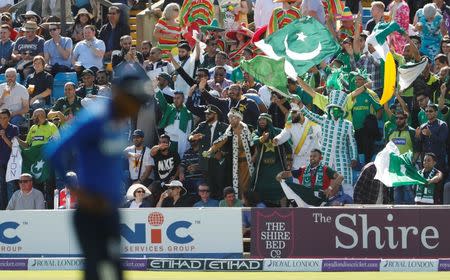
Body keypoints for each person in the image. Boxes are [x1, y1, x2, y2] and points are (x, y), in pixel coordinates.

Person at [45, 62, 152, 280]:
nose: (135, 108)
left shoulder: (121, 123)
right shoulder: (95, 118)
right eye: (134, 102)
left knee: (117, 270)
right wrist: (76, 190)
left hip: (110, 210)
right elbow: (54, 151)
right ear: (121, 94)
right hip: (89, 211)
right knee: (94, 270)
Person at [298, 91, 358, 198]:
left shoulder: (347, 125)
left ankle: (349, 204)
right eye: (332, 108)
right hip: (326, 158)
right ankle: (323, 205)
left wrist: (354, 158)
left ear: (341, 110)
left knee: (346, 184)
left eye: (337, 109)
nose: (334, 111)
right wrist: (300, 105)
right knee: (324, 183)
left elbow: (352, 143)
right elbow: (311, 115)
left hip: (342, 159)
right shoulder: (325, 120)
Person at [206, 108, 254, 196]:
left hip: (248, 163)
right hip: (234, 163)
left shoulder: (249, 129)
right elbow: (220, 142)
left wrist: (254, 158)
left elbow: (255, 144)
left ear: (239, 118)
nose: (231, 120)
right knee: (237, 185)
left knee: (247, 185)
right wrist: (210, 151)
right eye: (229, 118)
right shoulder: (229, 132)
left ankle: (247, 202)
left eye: (233, 117)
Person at [251, 113, 291, 207]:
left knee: (282, 187)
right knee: (259, 188)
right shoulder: (256, 132)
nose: (261, 121)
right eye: (260, 120)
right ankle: (261, 210)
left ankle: (284, 210)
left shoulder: (279, 132)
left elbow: (288, 147)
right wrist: (262, 138)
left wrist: (289, 160)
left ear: (269, 121)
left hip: (277, 166)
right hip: (262, 168)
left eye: (264, 119)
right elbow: (254, 140)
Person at [189, 104, 228, 199]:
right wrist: (193, 137)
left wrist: (222, 152)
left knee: (220, 184)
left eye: (209, 114)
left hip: (218, 161)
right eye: (206, 114)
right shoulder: (202, 125)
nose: (206, 116)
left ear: (216, 115)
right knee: (208, 186)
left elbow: (228, 143)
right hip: (205, 161)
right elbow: (190, 136)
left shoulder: (224, 127)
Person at [273, 103, 321, 170]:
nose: (292, 114)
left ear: (301, 112)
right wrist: (277, 139)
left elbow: (323, 138)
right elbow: (283, 134)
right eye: (291, 112)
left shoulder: (314, 123)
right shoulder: (290, 125)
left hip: (314, 160)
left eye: (294, 112)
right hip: (298, 161)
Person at [416, 103, 448, 173]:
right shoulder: (422, 126)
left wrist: (430, 135)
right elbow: (420, 145)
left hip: (439, 161)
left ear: (436, 113)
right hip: (426, 161)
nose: (428, 113)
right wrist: (417, 136)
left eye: (430, 111)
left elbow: (442, 141)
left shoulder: (442, 125)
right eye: (426, 111)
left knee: (439, 181)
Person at [0, 108, 18, 210]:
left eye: (5, 118)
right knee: (1, 187)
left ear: (9, 118)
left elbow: (13, 146)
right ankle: (2, 210)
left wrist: (4, 137)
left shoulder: (14, 128)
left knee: (10, 186)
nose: (2, 120)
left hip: (11, 162)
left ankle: (10, 210)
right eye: (1, 118)